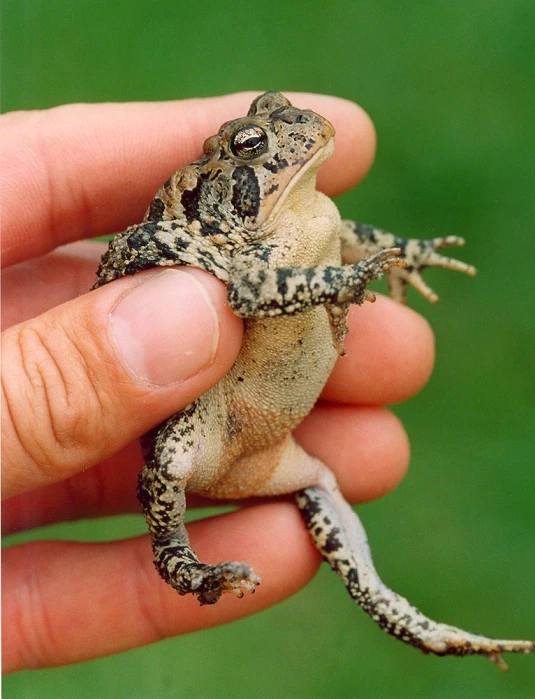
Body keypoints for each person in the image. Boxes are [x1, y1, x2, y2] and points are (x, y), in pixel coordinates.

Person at [1, 93, 435, 672]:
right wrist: (345, 280)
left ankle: (412, 620)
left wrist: (399, 251)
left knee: (333, 501)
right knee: (170, 465)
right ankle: (177, 558)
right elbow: (252, 292)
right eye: (256, 148)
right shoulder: (242, 250)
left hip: (272, 430)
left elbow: (339, 232)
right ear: (225, 193)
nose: (295, 134)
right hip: (210, 419)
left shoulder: (305, 217)